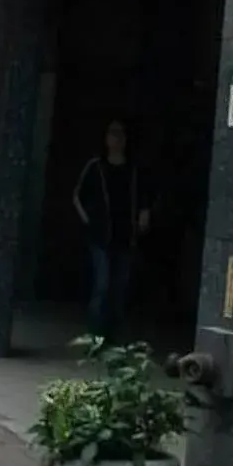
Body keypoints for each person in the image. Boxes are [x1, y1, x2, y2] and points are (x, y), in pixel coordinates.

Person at [73, 118, 149, 336]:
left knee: (120, 288)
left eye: (120, 134)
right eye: (112, 134)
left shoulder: (134, 169)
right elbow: (77, 195)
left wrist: (143, 215)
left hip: (125, 234)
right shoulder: (96, 166)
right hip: (100, 235)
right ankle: (95, 335)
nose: (116, 139)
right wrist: (88, 220)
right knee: (102, 284)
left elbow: (144, 195)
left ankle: (113, 335)